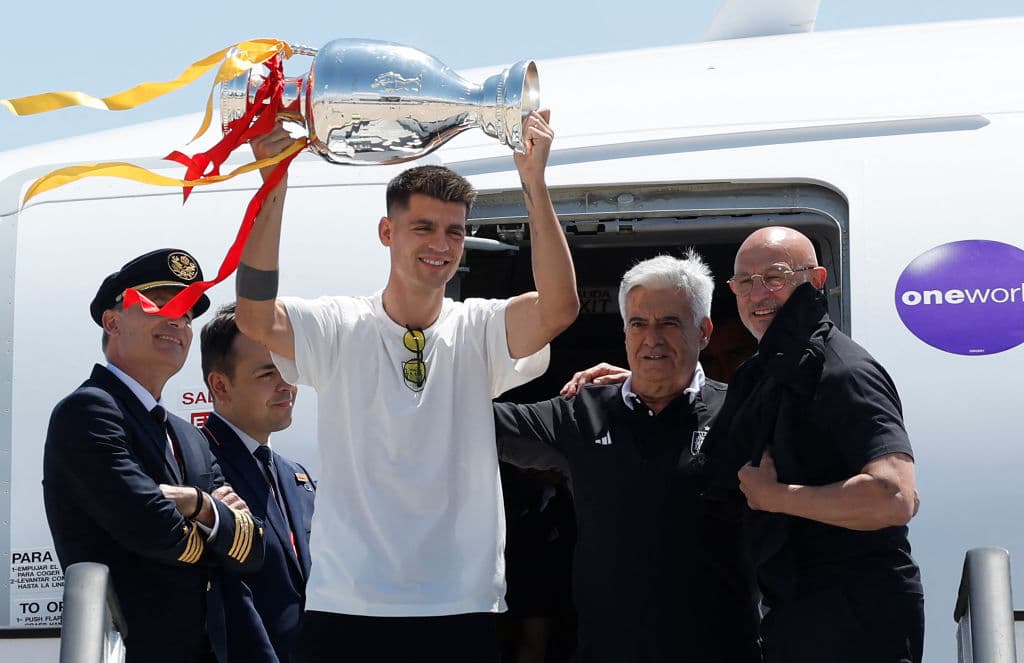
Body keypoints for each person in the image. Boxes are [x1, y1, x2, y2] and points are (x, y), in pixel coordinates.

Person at [236, 110, 579, 662]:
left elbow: (560, 308)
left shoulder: (479, 327)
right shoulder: (338, 324)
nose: (441, 244)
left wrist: (533, 182)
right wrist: (272, 182)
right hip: (349, 604)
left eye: (455, 231)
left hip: (459, 604)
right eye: (424, 227)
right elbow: (254, 317)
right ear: (387, 231)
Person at [494, 253, 761, 663]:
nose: (651, 338)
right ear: (624, 332)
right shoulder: (581, 412)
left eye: (669, 323)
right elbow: (479, 423)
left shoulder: (743, 415)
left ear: (703, 331)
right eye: (638, 323)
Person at [42, 249, 265, 663]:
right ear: (113, 321)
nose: (177, 321)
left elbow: (254, 548)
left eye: (186, 314)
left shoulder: (190, 436)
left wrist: (196, 504)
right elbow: (152, 529)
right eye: (160, 305)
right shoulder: (89, 411)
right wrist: (218, 522)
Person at [716, 226, 923, 663]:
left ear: (815, 280)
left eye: (775, 277)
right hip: (797, 614)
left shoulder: (843, 370)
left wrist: (776, 498)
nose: (758, 294)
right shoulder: (765, 373)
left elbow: (894, 497)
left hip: (856, 622)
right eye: (745, 283)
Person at [199, 304, 316, 663]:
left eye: (289, 369)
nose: (286, 385)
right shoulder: (195, 468)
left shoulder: (297, 477)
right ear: (220, 385)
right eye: (268, 373)